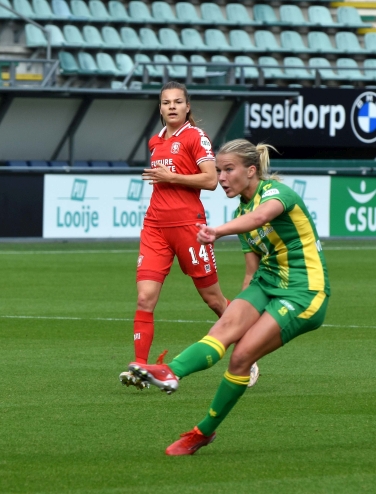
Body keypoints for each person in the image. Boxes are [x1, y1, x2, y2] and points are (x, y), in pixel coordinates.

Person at [128, 139, 330, 455]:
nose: (221, 178)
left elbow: (260, 218)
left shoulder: (277, 194)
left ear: (251, 170)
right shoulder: (241, 209)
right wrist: (241, 307)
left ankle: (201, 433)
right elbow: (251, 271)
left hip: (305, 292)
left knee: (240, 357)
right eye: (219, 170)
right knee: (222, 330)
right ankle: (172, 371)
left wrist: (218, 231)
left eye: (228, 170)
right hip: (266, 283)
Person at [118, 81, 253, 390]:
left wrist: (171, 176)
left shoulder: (195, 137)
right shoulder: (155, 141)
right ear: (160, 107)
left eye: (178, 101)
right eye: (166, 102)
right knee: (144, 297)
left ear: (187, 106)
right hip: (155, 227)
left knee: (214, 299)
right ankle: (139, 367)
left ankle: (248, 352)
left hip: (189, 227)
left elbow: (210, 180)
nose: (172, 107)